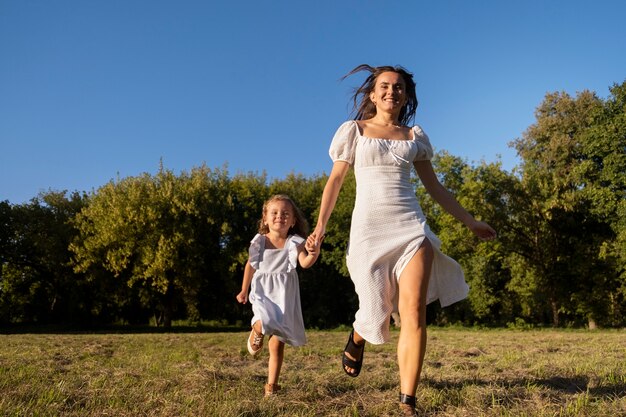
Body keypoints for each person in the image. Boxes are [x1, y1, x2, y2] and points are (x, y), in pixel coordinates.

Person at [310, 64, 496, 416]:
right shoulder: (354, 131)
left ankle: (407, 401)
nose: (391, 92)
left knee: (412, 313)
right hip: (368, 230)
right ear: (371, 93)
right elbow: (335, 182)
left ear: (406, 96)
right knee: (377, 312)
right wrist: (320, 227)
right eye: (384, 86)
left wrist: (471, 221)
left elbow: (435, 188)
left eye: (398, 87)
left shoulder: (415, 137)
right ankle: (359, 334)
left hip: (411, 228)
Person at [236, 194, 320, 397]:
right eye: (274, 212)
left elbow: (304, 263)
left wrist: (313, 253)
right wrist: (244, 289)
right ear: (265, 218)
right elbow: (250, 265)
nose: (279, 217)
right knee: (264, 317)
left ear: (293, 221)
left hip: (284, 295)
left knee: (277, 344)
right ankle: (257, 328)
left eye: (285, 214)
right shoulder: (259, 241)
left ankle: (271, 387)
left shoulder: (295, 242)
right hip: (264, 290)